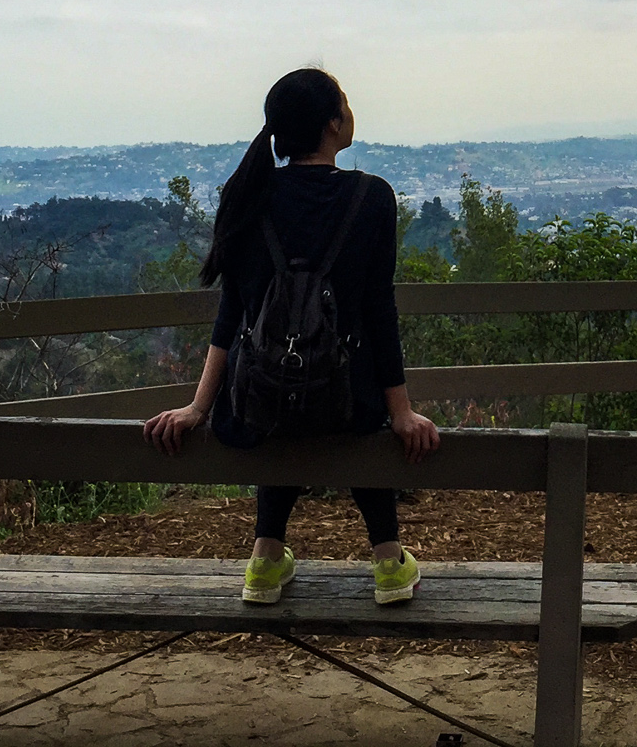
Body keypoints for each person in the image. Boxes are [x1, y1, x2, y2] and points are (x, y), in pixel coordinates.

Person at [142, 68, 441, 605]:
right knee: (336, 391)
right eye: (345, 103)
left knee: (281, 388)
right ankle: (389, 563)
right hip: (350, 406)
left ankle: (263, 560)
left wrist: (197, 407)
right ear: (332, 123)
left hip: (259, 405)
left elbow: (233, 314)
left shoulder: (249, 195)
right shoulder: (371, 197)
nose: (351, 111)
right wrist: (400, 412)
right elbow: (379, 311)